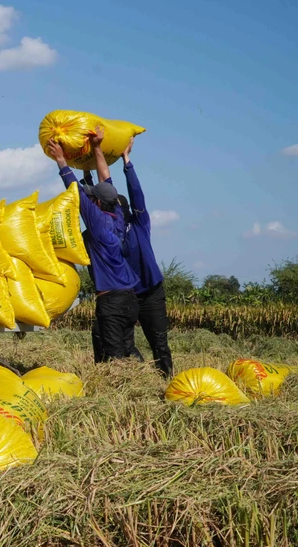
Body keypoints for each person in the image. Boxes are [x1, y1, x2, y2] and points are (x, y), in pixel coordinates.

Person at [46, 128, 140, 362]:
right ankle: (143, 375)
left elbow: (74, 191)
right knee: (113, 340)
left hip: (111, 300)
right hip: (130, 297)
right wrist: (97, 147)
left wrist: (61, 160)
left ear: (97, 202)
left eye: (92, 197)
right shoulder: (117, 214)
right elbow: (106, 179)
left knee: (113, 354)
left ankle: (122, 386)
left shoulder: (98, 222)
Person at [82, 138, 173, 376]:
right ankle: (132, 376)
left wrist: (127, 162)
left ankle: (167, 381)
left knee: (159, 343)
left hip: (150, 293)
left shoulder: (139, 222)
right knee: (105, 337)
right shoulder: (112, 225)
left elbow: (136, 194)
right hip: (125, 295)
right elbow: (104, 187)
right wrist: (89, 162)